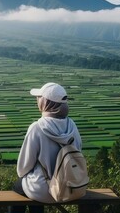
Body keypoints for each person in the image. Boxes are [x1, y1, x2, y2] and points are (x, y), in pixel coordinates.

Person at [9, 82, 82, 213]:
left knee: (18, 187)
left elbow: (23, 169)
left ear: (46, 103)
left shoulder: (37, 128)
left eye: (39, 98)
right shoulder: (72, 126)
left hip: (44, 190)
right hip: (70, 188)